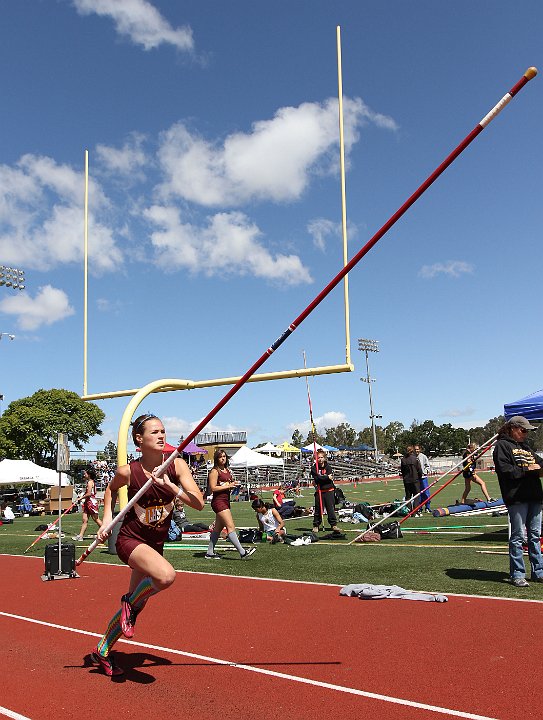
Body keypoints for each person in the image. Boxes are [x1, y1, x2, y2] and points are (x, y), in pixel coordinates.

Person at [91, 414, 204, 676]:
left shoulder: (176, 466)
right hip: (131, 540)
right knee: (165, 577)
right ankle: (128, 604)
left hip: (155, 543)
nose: (162, 435)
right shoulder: (128, 471)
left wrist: (171, 487)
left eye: (163, 430)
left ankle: (103, 649)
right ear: (139, 440)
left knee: (135, 608)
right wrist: (106, 520)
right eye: (155, 432)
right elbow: (109, 490)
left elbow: (198, 503)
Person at [492, 416, 543, 588]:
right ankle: (518, 574)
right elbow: (505, 470)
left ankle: (538, 572)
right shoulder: (501, 446)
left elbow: (540, 464)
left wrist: (539, 469)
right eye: (523, 430)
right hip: (517, 498)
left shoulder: (526, 448)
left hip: (535, 496)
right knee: (518, 537)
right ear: (513, 428)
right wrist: (528, 469)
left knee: (535, 536)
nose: (526, 434)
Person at [205, 449, 256, 560]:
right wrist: (228, 486)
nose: (223, 458)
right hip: (219, 502)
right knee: (230, 526)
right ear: (216, 459)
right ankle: (242, 552)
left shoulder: (227, 470)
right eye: (220, 457)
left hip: (225, 500)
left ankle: (209, 552)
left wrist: (234, 485)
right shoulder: (214, 471)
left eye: (224, 456)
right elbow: (213, 488)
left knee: (218, 528)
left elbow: (227, 484)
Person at [311, 449, 340, 534]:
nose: (320, 459)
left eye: (321, 457)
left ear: (324, 458)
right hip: (319, 491)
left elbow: (322, 479)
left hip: (329, 491)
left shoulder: (328, 467)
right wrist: (326, 477)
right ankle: (316, 525)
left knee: (330, 509)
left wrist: (321, 478)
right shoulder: (314, 468)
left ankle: (333, 525)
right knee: (318, 510)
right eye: (318, 457)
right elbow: (317, 478)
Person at [72, 466, 103, 541]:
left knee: (96, 519)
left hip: (91, 502)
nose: (84, 474)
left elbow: (89, 494)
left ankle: (108, 531)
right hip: (87, 502)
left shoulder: (90, 482)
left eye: (85, 473)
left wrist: (80, 498)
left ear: (89, 474)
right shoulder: (89, 482)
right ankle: (80, 536)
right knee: (84, 520)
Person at [400, 446, 422, 515]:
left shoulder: (403, 459)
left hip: (407, 481)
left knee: (408, 497)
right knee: (416, 496)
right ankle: (415, 511)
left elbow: (402, 471)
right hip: (415, 480)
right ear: (413, 451)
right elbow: (419, 470)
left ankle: (408, 511)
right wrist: (420, 477)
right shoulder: (415, 459)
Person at [414, 445, 431, 512]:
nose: (416, 451)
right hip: (416, 479)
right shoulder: (413, 457)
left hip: (423, 478)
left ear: (420, 450)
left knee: (426, 493)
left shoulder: (423, 456)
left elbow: (427, 466)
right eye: (415, 449)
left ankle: (427, 507)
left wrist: (425, 472)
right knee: (419, 494)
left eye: (417, 449)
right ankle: (419, 508)